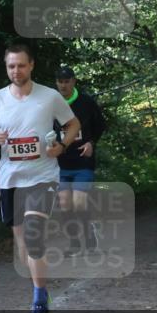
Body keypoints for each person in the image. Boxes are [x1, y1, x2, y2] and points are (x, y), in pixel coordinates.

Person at [0, 45, 80, 313]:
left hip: (43, 176)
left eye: (21, 65)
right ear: (6, 67)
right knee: (24, 245)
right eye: (11, 66)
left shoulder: (49, 96)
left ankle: (38, 301)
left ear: (31, 65)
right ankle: (40, 285)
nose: (16, 71)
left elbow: (73, 124)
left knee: (34, 237)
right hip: (10, 179)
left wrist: (62, 145)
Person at [53, 66, 106, 254]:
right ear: (56, 83)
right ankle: (74, 243)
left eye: (67, 81)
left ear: (73, 81)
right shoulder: (51, 104)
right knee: (66, 204)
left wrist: (92, 142)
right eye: (60, 81)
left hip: (83, 161)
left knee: (79, 202)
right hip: (60, 164)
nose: (63, 85)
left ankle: (89, 234)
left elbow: (101, 125)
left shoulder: (86, 102)